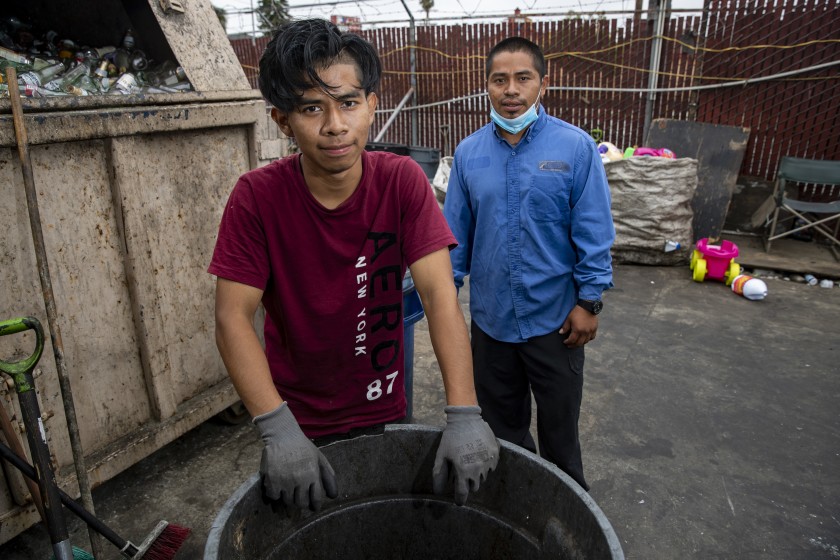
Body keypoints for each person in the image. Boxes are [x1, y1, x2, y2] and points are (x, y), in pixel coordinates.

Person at [208, 19, 498, 512]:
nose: (334, 126)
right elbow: (232, 317)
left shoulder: (401, 182)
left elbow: (439, 297)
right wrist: (276, 428)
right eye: (310, 108)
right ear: (282, 121)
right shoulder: (256, 198)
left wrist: (465, 412)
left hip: (382, 400)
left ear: (371, 106)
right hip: (296, 414)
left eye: (347, 103)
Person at [442, 36, 614, 491]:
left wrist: (590, 302)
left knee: (560, 439)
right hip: (492, 323)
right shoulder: (468, 154)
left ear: (543, 83)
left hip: (556, 323)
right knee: (504, 435)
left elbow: (594, 229)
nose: (511, 90)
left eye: (523, 78)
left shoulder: (574, 149)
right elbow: (454, 238)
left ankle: (567, 520)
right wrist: (445, 298)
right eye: (500, 80)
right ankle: (517, 510)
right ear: (487, 86)